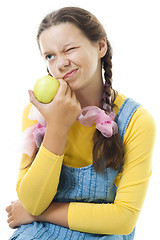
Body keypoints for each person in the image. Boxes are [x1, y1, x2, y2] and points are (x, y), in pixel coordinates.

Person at [6, 6, 156, 240]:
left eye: (69, 50)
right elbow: (32, 202)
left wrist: (40, 214)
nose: (61, 63)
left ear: (100, 47)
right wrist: (57, 126)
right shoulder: (37, 113)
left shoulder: (136, 120)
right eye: (50, 56)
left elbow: (123, 219)